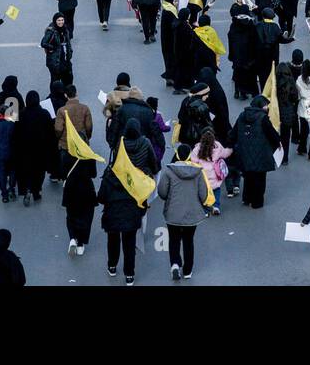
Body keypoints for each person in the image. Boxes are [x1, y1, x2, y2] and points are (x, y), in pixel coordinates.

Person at [96, 118, 157, 285]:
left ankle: (112, 265)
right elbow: (154, 163)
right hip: (137, 188)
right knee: (129, 243)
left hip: (113, 214)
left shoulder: (119, 147)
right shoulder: (145, 143)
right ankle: (129, 275)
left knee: (113, 239)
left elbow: (100, 197)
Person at [157, 143, 212, 280]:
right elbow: (204, 194)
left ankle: (175, 264)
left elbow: (162, 192)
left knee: (174, 240)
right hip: (192, 214)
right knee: (188, 241)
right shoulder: (198, 172)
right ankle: (187, 270)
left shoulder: (169, 171)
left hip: (172, 213)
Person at [233, 95, 280, 209]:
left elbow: (234, 132)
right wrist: (278, 142)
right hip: (260, 153)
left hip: (245, 152)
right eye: (265, 105)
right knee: (259, 178)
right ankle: (257, 202)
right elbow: (273, 135)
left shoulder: (242, 116)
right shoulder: (263, 118)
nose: (267, 107)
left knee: (248, 176)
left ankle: (247, 198)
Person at [62, 158, 98, 256]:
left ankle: (73, 238)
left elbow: (63, 173)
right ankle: (80, 243)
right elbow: (93, 174)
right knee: (86, 216)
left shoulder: (68, 155)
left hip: (70, 189)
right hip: (86, 190)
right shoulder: (89, 156)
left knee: (71, 215)